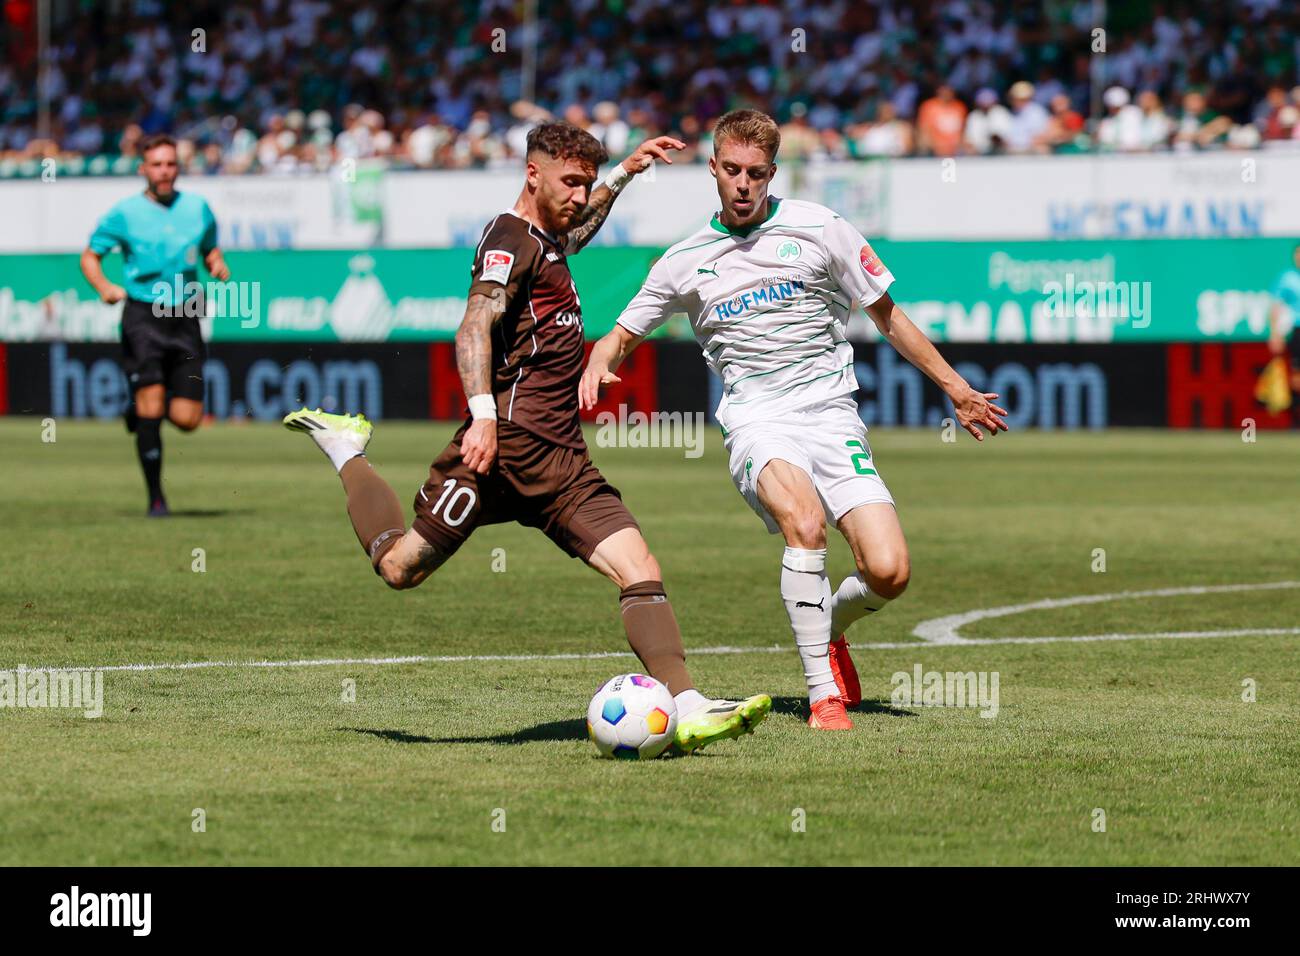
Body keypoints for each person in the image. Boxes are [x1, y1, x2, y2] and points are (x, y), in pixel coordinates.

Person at [283, 122, 771, 753]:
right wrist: (482, 414)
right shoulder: (508, 239)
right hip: (501, 450)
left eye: (586, 182)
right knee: (400, 568)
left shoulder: (549, 238)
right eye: (570, 181)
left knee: (639, 566)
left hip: (561, 458)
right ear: (532, 175)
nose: (579, 194)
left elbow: (580, 227)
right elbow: (473, 325)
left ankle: (689, 704)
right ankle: (347, 449)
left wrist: (621, 175)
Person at [581, 110, 1008, 731]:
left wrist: (957, 388)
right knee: (803, 523)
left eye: (756, 173)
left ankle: (831, 632)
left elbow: (888, 316)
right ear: (714, 170)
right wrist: (598, 365)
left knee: (889, 572)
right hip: (758, 421)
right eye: (732, 171)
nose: (744, 184)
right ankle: (822, 692)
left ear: (773, 173)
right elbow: (617, 337)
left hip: (832, 416)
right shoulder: (684, 260)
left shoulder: (821, 227)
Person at [80, 133, 229, 516]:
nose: (165, 172)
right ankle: (156, 500)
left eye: (171, 164)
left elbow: (210, 245)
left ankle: (142, 410)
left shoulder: (198, 208)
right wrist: (103, 287)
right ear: (143, 169)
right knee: (151, 404)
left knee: (187, 419)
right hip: (143, 315)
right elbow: (90, 257)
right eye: (157, 165)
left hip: (184, 316)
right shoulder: (124, 213)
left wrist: (215, 262)